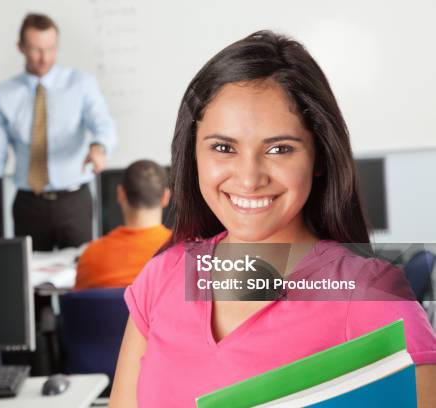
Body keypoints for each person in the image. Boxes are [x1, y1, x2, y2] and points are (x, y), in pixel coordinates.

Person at [109, 31, 436, 407]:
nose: (249, 178)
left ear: (319, 158)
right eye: (223, 147)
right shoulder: (160, 279)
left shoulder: (370, 297)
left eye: (279, 149)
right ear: (193, 154)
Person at [0, 13, 117, 251]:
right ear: (21, 48)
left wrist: (99, 147)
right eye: (35, 49)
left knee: (79, 277)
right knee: (30, 280)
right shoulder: (3, 96)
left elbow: (102, 124)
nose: (44, 58)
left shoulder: (81, 83)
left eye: (50, 48)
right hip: (28, 203)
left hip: (74, 200)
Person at [75, 160, 171, 289]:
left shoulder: (91, 256)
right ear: (166, 197)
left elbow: (81, 307)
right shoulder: (191, 255)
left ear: (120, 194)